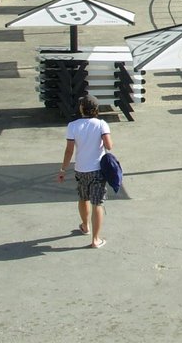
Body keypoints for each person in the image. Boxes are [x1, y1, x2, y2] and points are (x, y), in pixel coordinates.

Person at [58, 94, 112, 249]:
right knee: (98, 204)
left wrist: (63, 169)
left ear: (81, 108)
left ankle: (85, 225)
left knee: (83, 198)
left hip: (81, 169)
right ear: (96, 109)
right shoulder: (102, 124)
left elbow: (69, 151)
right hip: (97, 169)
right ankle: (96, 239)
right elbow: (109, 146)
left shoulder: (73, 126)